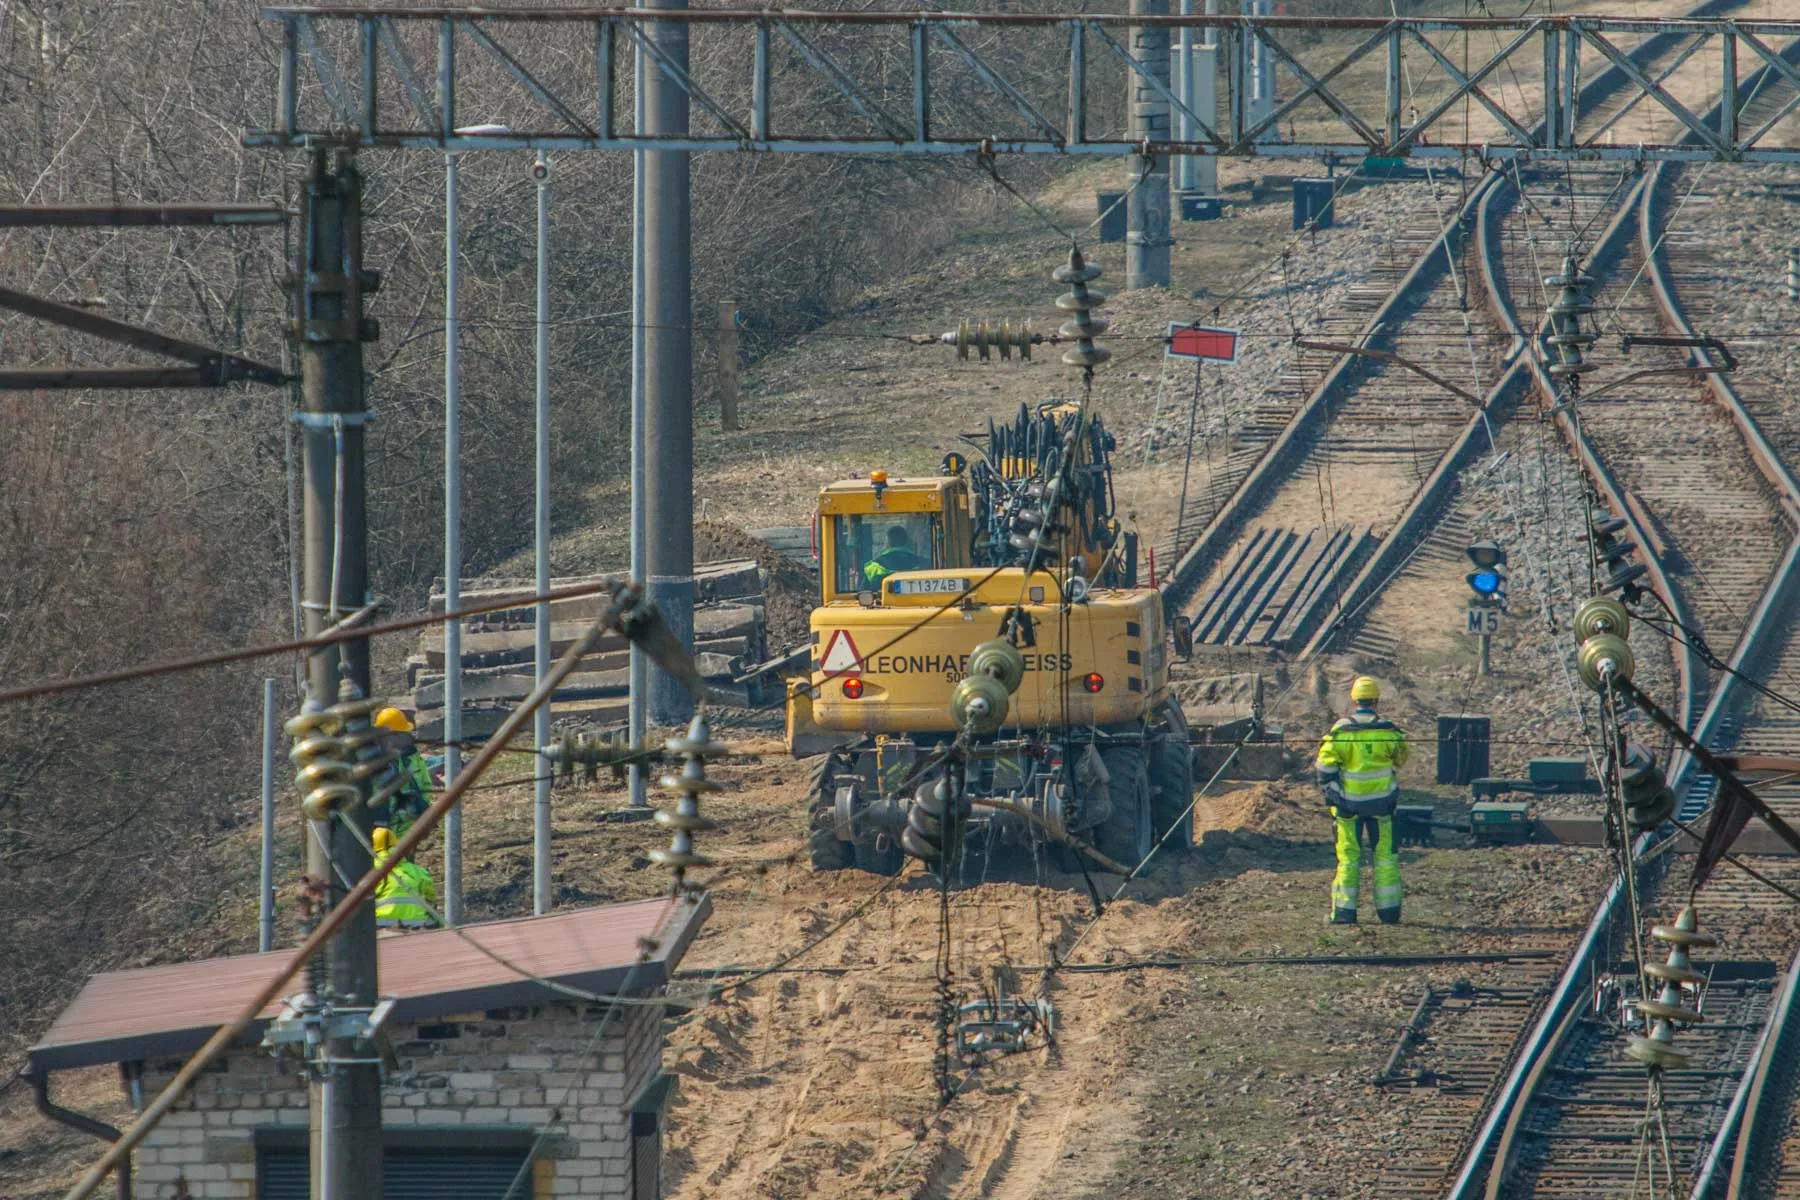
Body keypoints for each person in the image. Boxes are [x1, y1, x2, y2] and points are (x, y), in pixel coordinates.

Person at [1314, 675, 1409, 925]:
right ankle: (1389, 912)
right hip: (1382, 806)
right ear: (1376, 700)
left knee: (1348, 858)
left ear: (1354, 699)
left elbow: (1324, 768)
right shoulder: (1388, 731)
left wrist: (1333, 796)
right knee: (1386, 857)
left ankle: (1344, 913)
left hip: (1348, 808)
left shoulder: (1341, 732)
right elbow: (1401, 758)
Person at [373, 706, 432, 836]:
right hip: (383, 832)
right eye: (402, 734)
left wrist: (424, 812)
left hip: (409, 830)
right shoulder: (374, 763)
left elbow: (425, 785)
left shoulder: (411, 757)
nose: (407, 738)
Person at [372, 825, 437, 930]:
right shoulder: (418, 871)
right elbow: (431, 900)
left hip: (381, 926)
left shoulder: (369, 872)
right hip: (417, 926)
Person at [862, 524, 927, 585]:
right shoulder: (922, 564)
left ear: (889, 542)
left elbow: (863, 591)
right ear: (906, 541)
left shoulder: (874, 567)